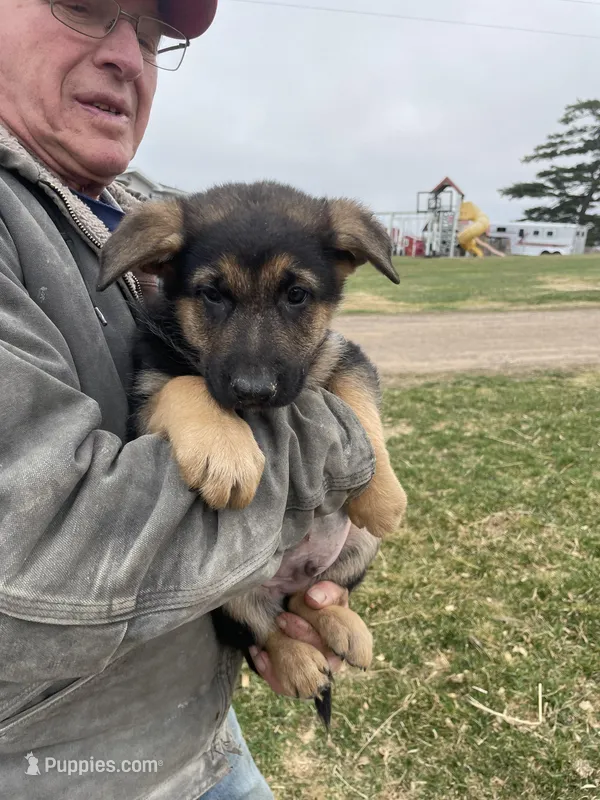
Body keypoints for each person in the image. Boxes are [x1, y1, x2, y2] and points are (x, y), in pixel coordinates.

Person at [0, 1, 376, 798]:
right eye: (82, 6)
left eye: (148, 33)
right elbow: (41, 561)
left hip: (201, 738)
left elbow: (342, 359)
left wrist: (287, 596)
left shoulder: (150, 204)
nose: (126, 57)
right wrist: (344, 455)